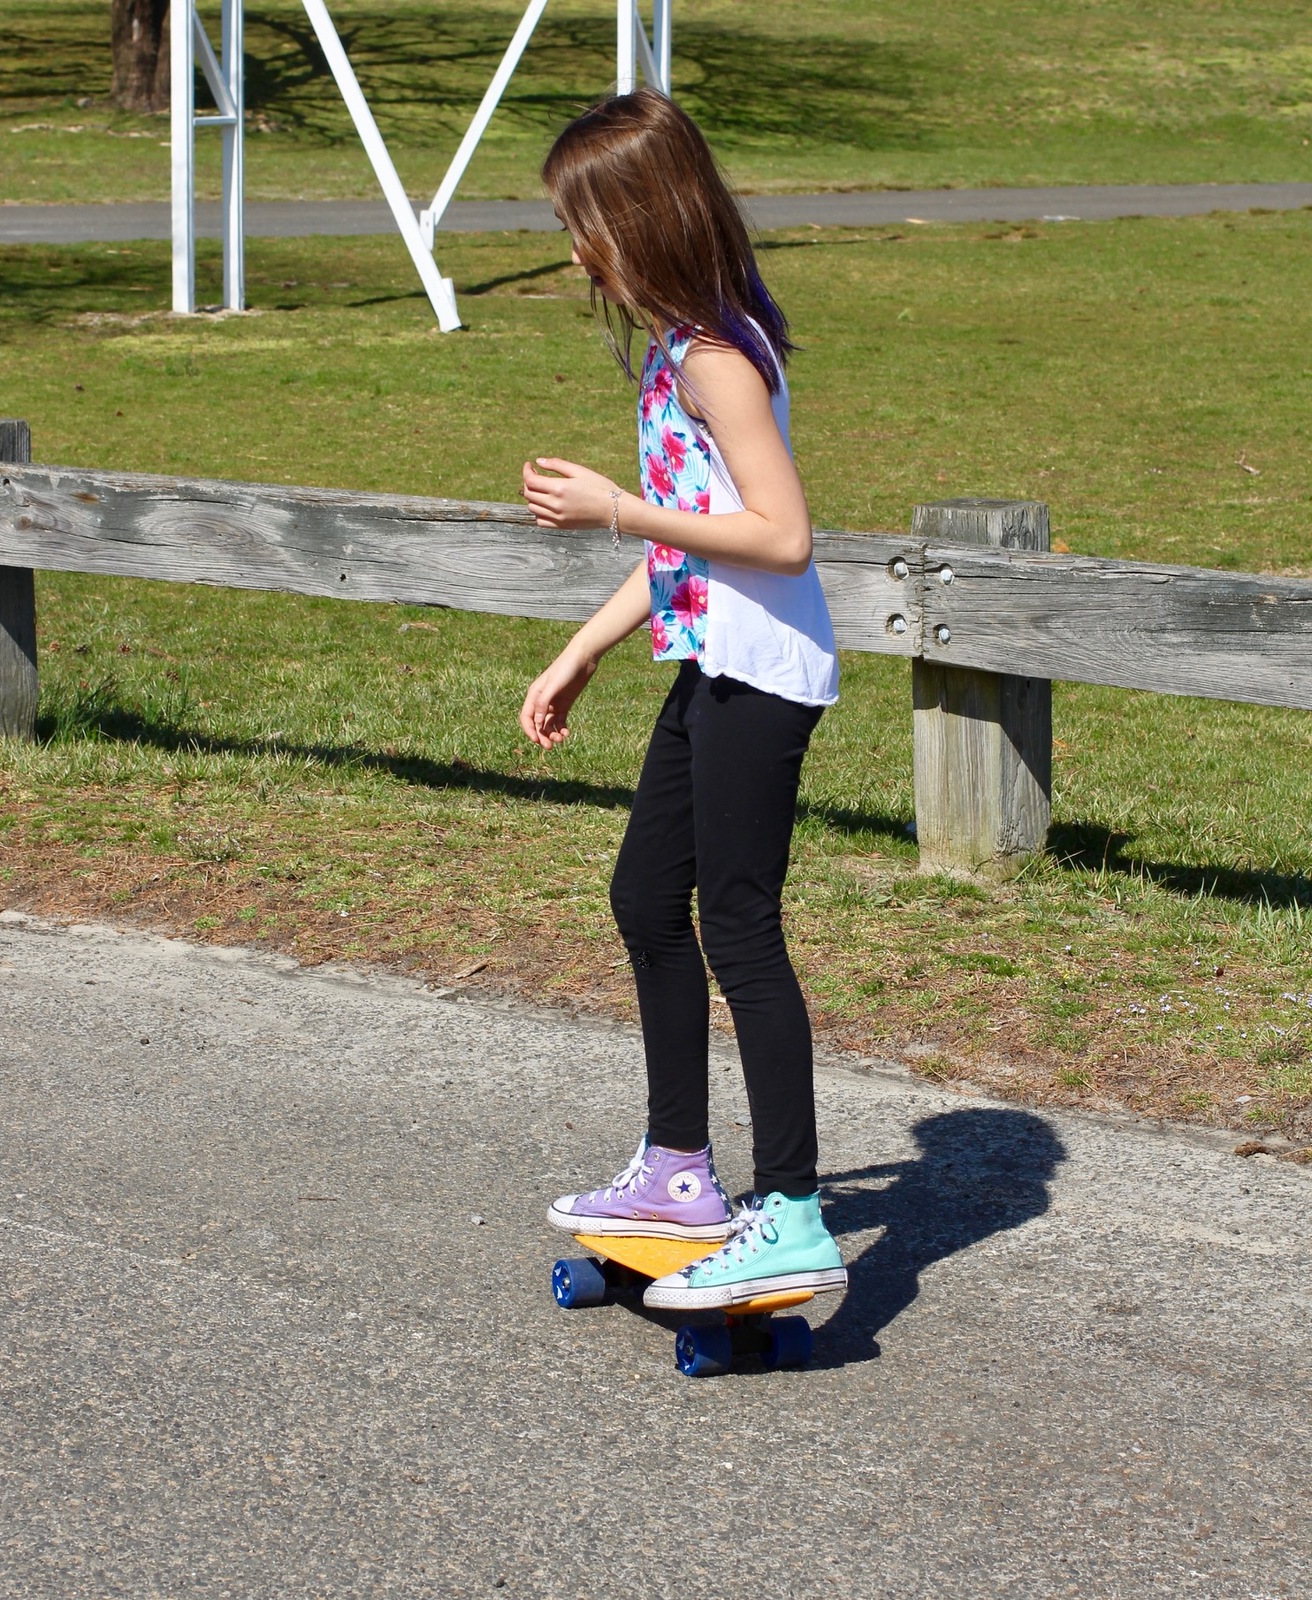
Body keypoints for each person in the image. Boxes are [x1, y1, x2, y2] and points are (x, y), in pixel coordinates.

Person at [518, 89, 846, 1311]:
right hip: (709, 658)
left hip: (763, 676)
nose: (573, 252)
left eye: (583, 226)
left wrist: (614, 507)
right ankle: (675, 1174)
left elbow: (779, 535)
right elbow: (693, 545)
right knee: (644, 897)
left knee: (736, 924)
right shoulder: (676, 345)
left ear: (641, 221)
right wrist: (584, 648)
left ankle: (796, 1212)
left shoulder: (715, 358)